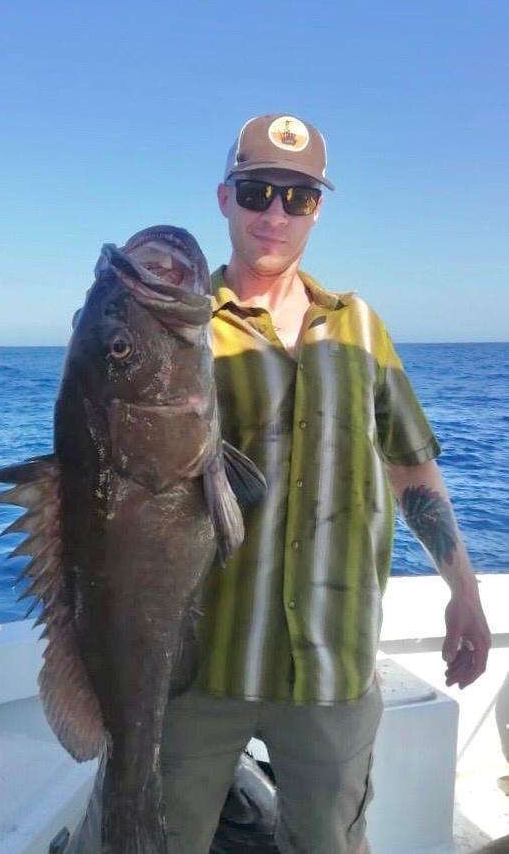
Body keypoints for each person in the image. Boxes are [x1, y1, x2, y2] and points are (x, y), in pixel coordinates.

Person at [156, 112, 493, 854]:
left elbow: (410, 463)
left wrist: (463, 587)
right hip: (200, 661)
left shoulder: (359, 326)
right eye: (257, 191)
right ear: (223, 198)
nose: (274, 213)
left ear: (318, 209)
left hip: (332, 662)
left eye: (297, 197)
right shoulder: (177, 329)